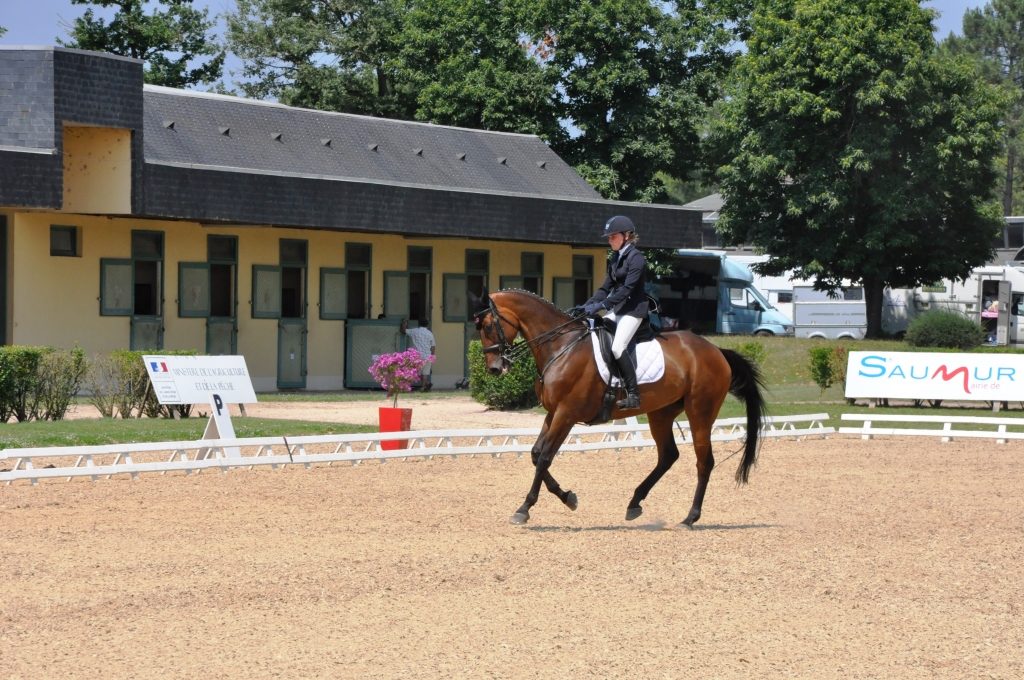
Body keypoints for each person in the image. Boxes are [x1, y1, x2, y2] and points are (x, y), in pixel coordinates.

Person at [579, 215, 648, 410]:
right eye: (608, 237)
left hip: (633, 310)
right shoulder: (616, 258)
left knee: (618, 347)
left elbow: (627, 290)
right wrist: (587, 305)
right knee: (595, 332)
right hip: (618, 308)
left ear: (626, 236)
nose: (609, 240)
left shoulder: (637, 259)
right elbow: (605, 287)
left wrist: (603, 306)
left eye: (612, 236)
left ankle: (633, 394)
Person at [400, 318, 436, 392]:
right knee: (425, 373)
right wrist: (432, 356)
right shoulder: (430, 333)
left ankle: (406, 386)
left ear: (419, 324)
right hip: (427, 355)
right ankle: (424, 386)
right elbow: (433, 346)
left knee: (415, 372)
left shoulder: (415, 331)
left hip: (417, 355)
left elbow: (403, 331)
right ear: (427, 325)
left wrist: (404, 323)